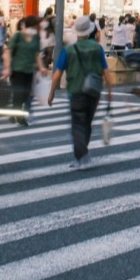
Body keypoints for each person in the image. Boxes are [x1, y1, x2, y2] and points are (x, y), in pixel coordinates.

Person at [46, 15, 112, 169]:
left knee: (77, 125)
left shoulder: (69, 50)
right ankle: (80, 157)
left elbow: (57, 74)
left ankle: (82, 156)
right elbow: (106, 71)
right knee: (87, 123)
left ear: (76, 32)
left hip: (76, 91)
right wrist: (110, 89)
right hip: (94, 91)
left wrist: (51, 93)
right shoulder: (98, 48)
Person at [3, 16, 45, 126]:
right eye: (36, 27)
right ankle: (19, 116)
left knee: (25, 94)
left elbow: (37, 54)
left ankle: (13, 113)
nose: (37, 29)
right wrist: (7, 67)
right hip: (17, 69)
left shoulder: (36, 38)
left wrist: (41, 67)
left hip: (29, 70)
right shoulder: (17, 36)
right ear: (31, 26)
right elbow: (8, 51)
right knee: (18, 94)